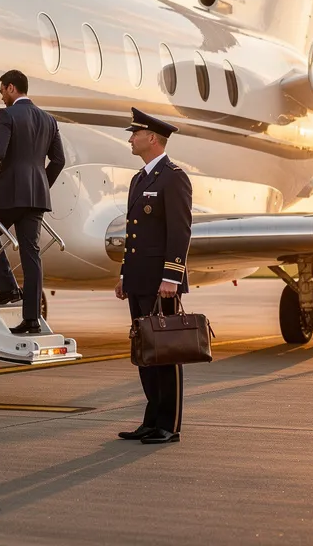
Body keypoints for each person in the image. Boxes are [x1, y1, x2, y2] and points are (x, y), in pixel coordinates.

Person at [0, 69, 65, 335]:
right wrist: (41, 183)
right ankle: (31, 319)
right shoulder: (49, 119)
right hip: (36, 196)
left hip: (9, 193)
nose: (0, 97)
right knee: (31, 254)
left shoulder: (7, 115)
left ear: (11, 88)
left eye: (1, 91)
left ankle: (8, 288)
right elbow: (59, 161)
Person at [115, 107, 192, 444]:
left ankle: (169, 424)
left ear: (152, 138)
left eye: (135, 133)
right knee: (146, 352)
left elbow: (180, 231)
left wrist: (172, 277)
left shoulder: (173, 177)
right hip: (139, 279)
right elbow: (134, 234)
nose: (130, 138)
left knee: (166, 352)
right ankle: (151, 418)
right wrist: (123, 274)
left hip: (162, 283)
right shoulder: (139, 179)